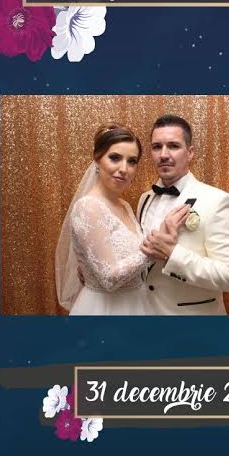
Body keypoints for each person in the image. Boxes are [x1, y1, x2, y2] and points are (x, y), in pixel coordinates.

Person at [55, 124, 191, 315]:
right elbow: (108, 280)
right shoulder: (88, 207)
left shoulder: (125, 206)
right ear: (97, 159)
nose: (124, 169)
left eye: (132, 161)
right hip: (105, 310)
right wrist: (156, 247)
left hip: (138, 304)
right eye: (115, 158)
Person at [136, 114, 229, 315]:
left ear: (190, 152)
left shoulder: (218, 201)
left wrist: (172, 253)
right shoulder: (145, 199)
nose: (163, 154)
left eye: (173, 146)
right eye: (157, 147)